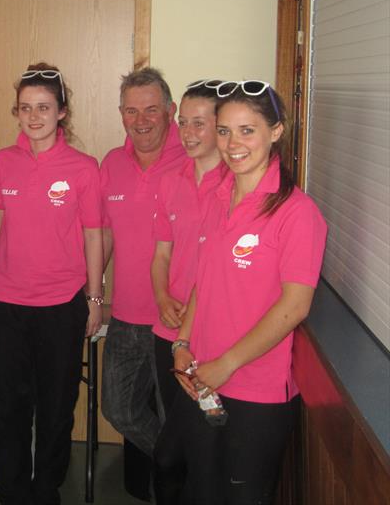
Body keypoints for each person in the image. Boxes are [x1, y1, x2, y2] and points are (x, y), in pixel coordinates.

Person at [170, 81, 327, 503]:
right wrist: (182, 342)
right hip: (201, 382)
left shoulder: (297, 213)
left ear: (276, 131)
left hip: (256, 393)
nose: (232, 143)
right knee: (201, 492)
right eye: (224, 131)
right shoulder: (219, 197)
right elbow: (205, 282)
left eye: (247, 130)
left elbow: (294, 306)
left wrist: (228, 363)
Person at [0, 63, 103, 505]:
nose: (34, 116)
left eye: (44, 108)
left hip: (61, 305)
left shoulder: (84, 168)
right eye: (25, 108)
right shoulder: (2, 162)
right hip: (5, 304)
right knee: (6, 409)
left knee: (55, 410)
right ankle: (12, 492)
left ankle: (45, 490)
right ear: (17, 112)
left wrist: (94, 298)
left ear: (62, 113)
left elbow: (93, 234)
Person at [99, 66, 188, 501]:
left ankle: (176, 483)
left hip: (178, 321)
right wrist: (94, 292)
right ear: (121, 115)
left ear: (170, 111)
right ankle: (186, 467)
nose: (142, 120)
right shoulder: (111, 164)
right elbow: (106, 235)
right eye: (132, 111)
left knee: (176, 412)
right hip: (126, 315)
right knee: (117, 408)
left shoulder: (192, 161)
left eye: (152, 109)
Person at [150, 80, 226, 503]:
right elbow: (161, 255)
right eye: (183, 123)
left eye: (200, 123)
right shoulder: (170, 182)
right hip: (169, 333)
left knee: (180, 451)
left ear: (221, 126)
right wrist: (161, 296)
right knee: (175, 450)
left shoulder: (235, 186)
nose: (188, 133)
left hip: (213, 338)